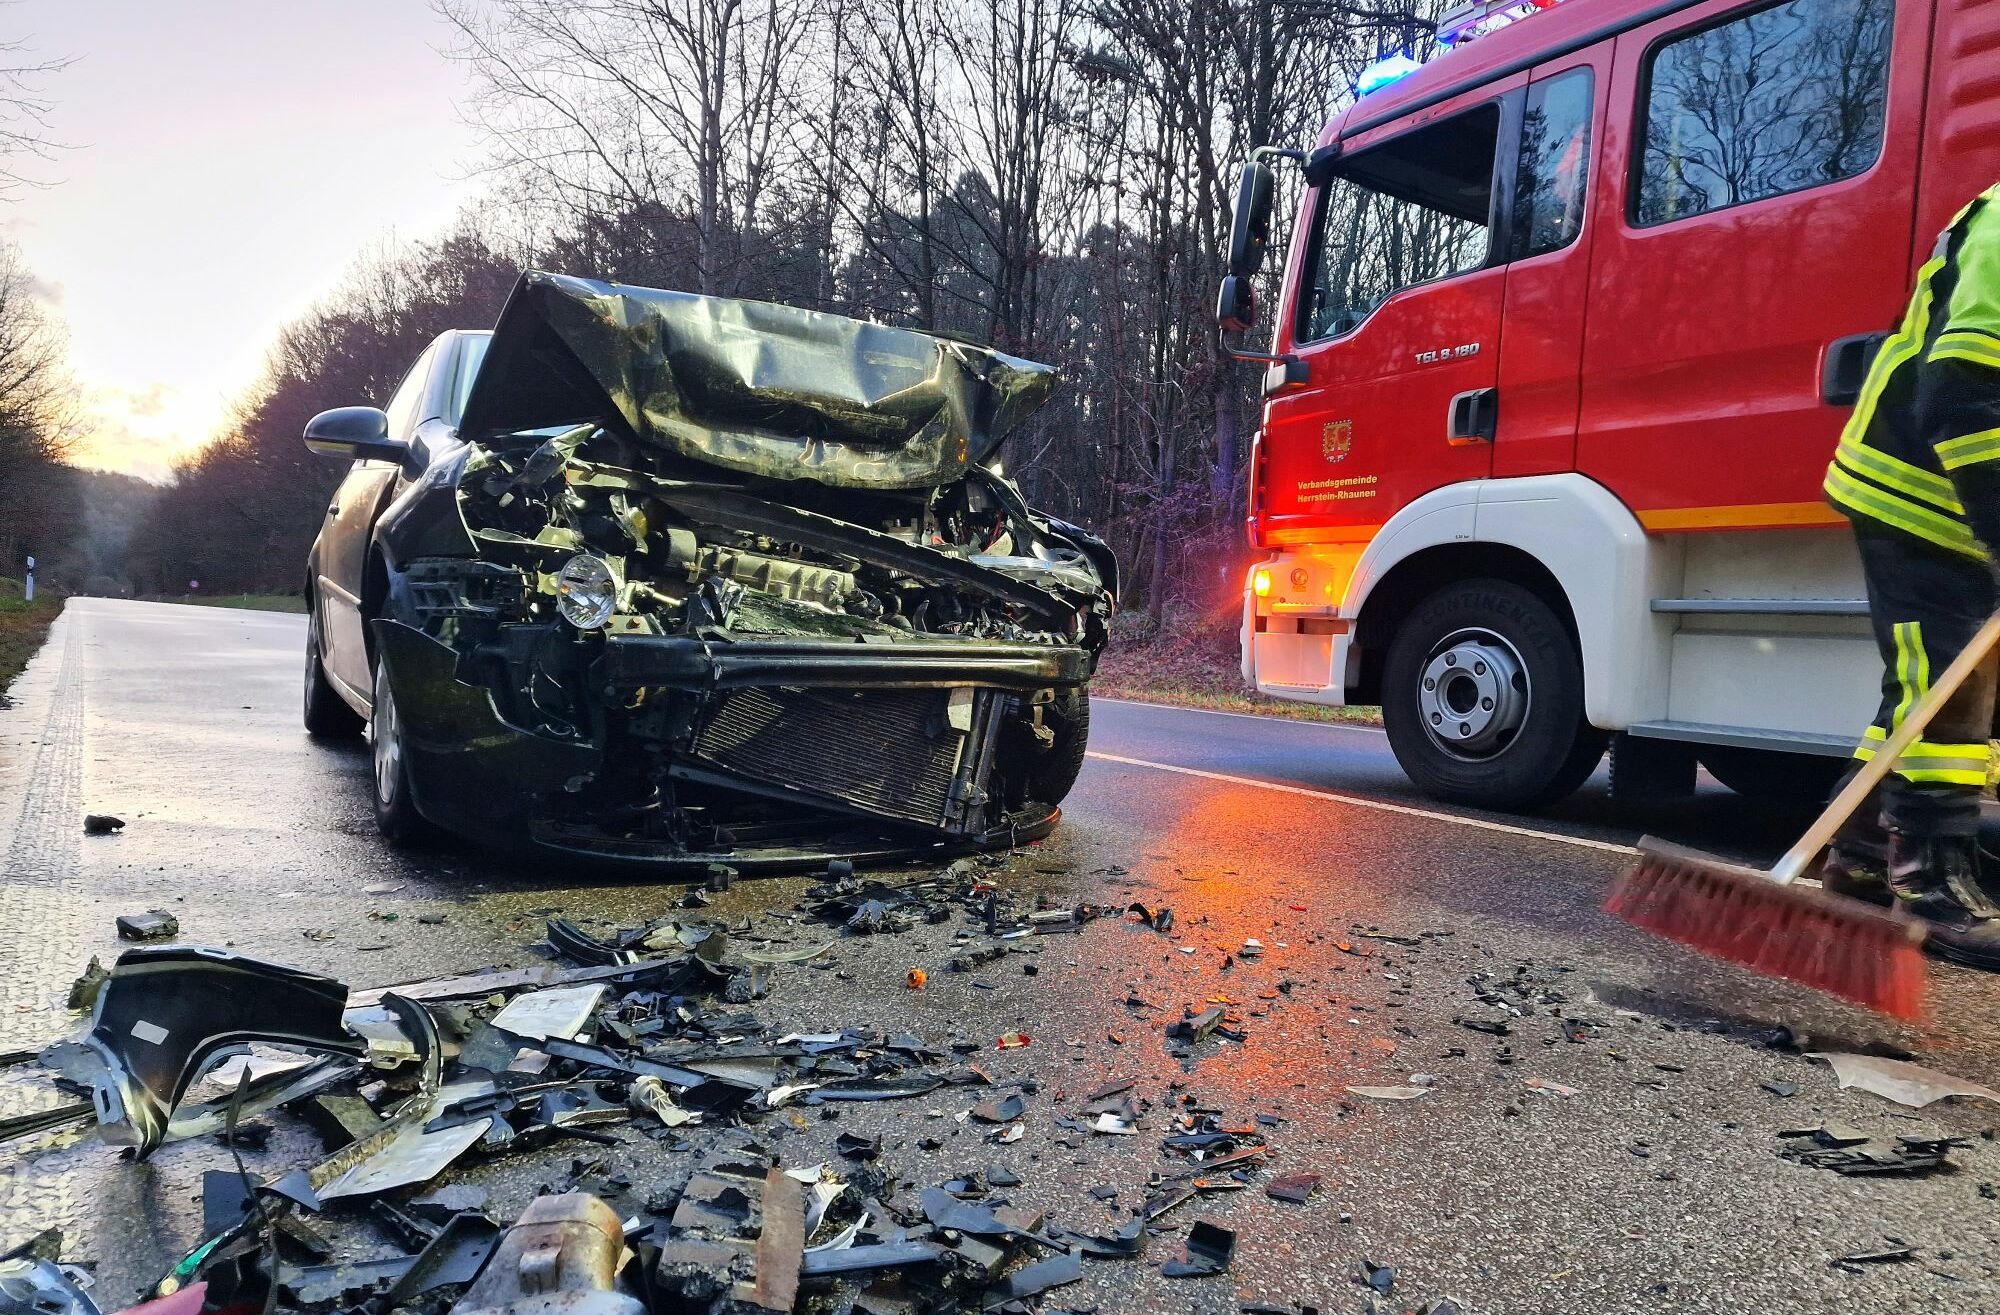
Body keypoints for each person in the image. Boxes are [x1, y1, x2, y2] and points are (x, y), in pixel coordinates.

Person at [1822, 181, 2000, 969]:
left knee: (1928, 682)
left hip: (1949, 492)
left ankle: (1860, 852)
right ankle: (1930, 887)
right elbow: (1964, 386)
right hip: (1918, 487)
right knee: (1952, 682)